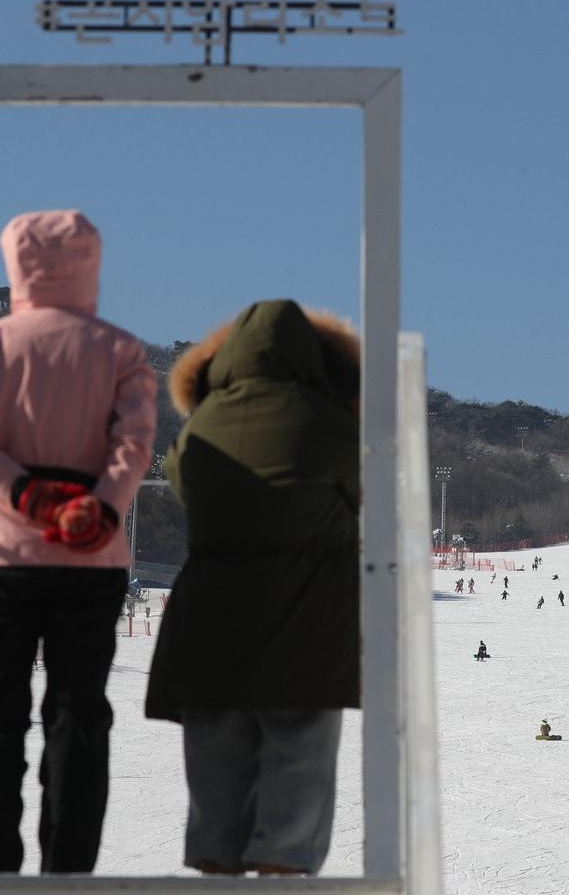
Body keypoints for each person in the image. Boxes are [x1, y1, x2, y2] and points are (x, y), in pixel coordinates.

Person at [0, 210, 157, 874]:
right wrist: (98, 508)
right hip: (88, 555)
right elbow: (135, 445)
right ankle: (68, 873)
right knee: (77, 714)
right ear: (92, 262)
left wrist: (23, 494)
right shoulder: (121, 350)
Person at [144, 300, 358, 877]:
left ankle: (217, 869)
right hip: (306, 620)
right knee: (298, 763)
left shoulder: (201, 426)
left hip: (210, 616)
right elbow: (366, 495)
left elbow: (186, 490)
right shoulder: (334, 424)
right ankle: (284, 874)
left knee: (217, 763)